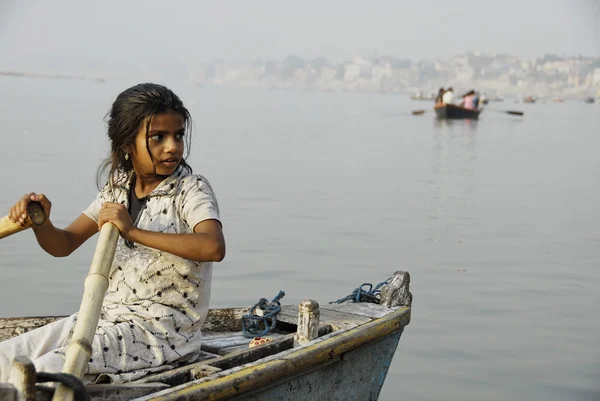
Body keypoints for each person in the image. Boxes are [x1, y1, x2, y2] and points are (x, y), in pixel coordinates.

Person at [0, 83, 226, 384]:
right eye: (158, 137)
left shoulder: (191, 189)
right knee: (9, 359)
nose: (173, 146)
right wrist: (42, 223)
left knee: (44, 372)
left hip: (162, 334)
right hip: (102, 318)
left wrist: (132, 230)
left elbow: (213, 246)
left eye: (178, 135)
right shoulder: (117, 189)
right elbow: (63, 244)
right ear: (126, 146)